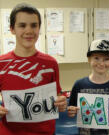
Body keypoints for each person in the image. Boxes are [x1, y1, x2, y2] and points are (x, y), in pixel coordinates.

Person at [0, 3, 67, 135]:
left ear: (39, 28)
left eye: (34, 25)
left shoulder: (50, 63)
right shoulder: (1, 63)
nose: (29, 31)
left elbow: (58, 96)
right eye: (22, 25)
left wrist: (61, 102)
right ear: (12, 29)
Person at [67, 39, 109, 135]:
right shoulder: (79, 85)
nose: (101, 63)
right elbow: (72, 110)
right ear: (89, 59)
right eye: (96, 58)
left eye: (106, 59)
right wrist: (71, 111)